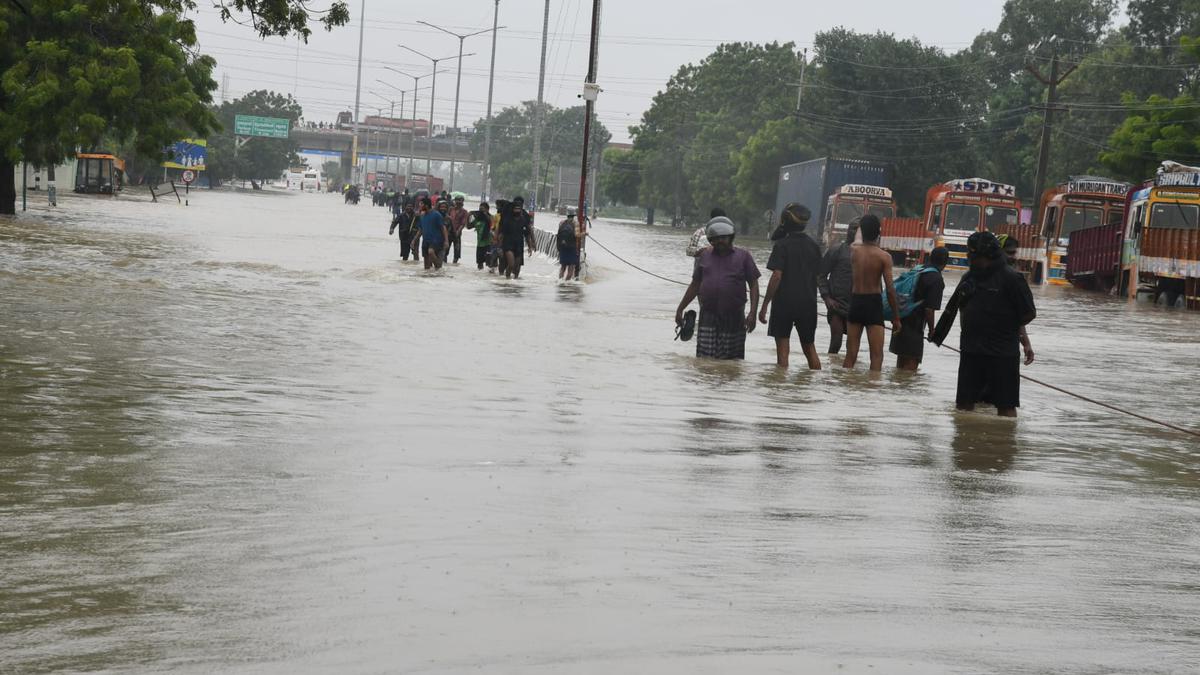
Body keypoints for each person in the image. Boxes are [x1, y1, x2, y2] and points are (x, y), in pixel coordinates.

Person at [954, 231, 1037, 417]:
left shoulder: (1012, 279)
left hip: (1002, 354)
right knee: (963, 406)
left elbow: (1028, 313)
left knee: (1005, 406)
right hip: (971, 352)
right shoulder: (969, 278)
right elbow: (961, 309)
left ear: (987, 256)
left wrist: (1012, 332)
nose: (969, 259)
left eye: (973, 256)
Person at [674, 216, 761, 360]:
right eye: (716, 238)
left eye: (724, 238)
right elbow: (695, 284)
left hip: (734, 317)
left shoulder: (744, 256)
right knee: (704, 361)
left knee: (731, 363)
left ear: (731, 238)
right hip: (708, 315)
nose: (720, 241)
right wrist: (680, 308)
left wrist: (752, 314)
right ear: (710, 239)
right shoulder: (704, 256)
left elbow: (754, 285)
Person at [758, 204, 823, 369]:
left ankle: (781, 388)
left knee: (782, 352)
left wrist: (765, 304)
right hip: (808, 303)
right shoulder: (814, 246)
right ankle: (816, 386)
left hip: (784, 303)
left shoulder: (781, 245)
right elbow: (818, 276)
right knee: (809, 348)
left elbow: (776, 276)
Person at [842, 214, 901, 371]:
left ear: (862, 230)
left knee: (850, 354)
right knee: (876, 355)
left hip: (855, 302)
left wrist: (862, 224)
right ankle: (873, 388)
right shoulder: (884, 257)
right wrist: (896, 317)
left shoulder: (854, 251)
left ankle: (844, 386)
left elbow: (857, 238)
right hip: (873, 304)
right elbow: (889, 289)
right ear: (879, 233)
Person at [889, 246, 949, 371]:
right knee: (910, 370)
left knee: (900, 368)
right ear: (945, 262)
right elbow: (929, 309)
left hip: (900, 321)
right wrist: (932, 331)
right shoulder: (936, 279)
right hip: (914, 328)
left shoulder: (918, 269)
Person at [818, 220, 857, 354]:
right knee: (836, 342)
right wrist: (827, 298)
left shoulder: (866, 254)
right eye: (852, 228)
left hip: (857, 306)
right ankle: (831, 373)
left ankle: (846, 375)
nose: (853, 232)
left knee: (852, 348)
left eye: (857, 229)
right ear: (847, 231)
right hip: (837, 305)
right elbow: (821, 275)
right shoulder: (836, 250)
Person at [1000, 235, 1036, 366]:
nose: (1013, 257)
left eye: (1014, 253)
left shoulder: (973, 277)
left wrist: (1026, 343)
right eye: (1009, 253)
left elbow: (1017, 315)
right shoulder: (1015, 280)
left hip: (976, 351)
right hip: (1004, 352)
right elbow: (1027, 314)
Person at [499, 196, 534, 279]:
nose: (517, 210)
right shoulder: (508, 219)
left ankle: (514, 285)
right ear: (513, 209)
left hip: (519, 245)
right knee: (511, 265)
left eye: (519, 208)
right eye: (516, 208)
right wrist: (500, 248)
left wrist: (530, 246)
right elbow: (502, 234)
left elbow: (527, 234)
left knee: (517, 268)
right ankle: (506, 281)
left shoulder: (524, 219)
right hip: (508, 244)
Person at [416, 197, 447, 270]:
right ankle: (428, 276)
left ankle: (438, 268)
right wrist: (414, 240)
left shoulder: (436, 215)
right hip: (425, 241)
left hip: (436, 240)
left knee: (431, 252)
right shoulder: (422, 216)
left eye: (421, 204)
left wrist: (446, 241)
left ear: (426, 205)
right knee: (426, 266)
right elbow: (420, 230)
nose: (419, 206)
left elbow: (443, 228)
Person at [468, 202, 495, 271]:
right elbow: (468, 227)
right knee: (480, 264)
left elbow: (492, 225)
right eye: (480, 209)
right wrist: (469, 216)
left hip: (489, 243)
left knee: (490, 264)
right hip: (479, 244)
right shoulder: (477, 218)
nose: (481, 211)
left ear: (487, 210)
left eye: (482, 209)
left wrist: (485, 214)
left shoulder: (491, 217)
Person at [557, 207, 581, 281]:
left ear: (567, 215)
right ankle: (566, 283)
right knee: (571, 267)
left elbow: (559, 234)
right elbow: (577, 235)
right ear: (574, 215)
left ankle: (560, 282)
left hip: (563, 247)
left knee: (563, 267)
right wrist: (584, 233)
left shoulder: (561, 222)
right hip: (572, 247)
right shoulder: (576, 223)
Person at [446, 195, 469, 264]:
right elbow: (446, 219)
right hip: (449, 232)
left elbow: (463, 224)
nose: (458, 202)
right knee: (445, 250)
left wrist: (458, 232)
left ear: (462, 202)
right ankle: (444, 265)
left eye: (460, 200)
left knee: (457, 251)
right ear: (455, 201)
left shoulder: (464, 212)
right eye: (457, 200)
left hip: (457, 233)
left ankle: (454, 264)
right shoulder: (451, 209)